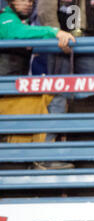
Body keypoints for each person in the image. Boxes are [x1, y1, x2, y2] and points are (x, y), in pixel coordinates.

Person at [36, 0, 94, 169]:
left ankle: (89, 153)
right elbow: (45, 8)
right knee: (58, 100)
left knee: (91, 99)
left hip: (90, 43)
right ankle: (50, 155)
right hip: (61, 45)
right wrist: (57, 33)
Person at [0, 0, 75, 146]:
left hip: (11, 92)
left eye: (30, 0)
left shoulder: (21, 23)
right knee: (55, 99)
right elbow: (18, 33)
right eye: (22, 0)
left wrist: (58, 38)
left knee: (51, 95)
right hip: (5, 96)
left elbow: (28, 33)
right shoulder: (5, 20)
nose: (28, 3)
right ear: (10, 2)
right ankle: (45, 156)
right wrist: (55, 32)